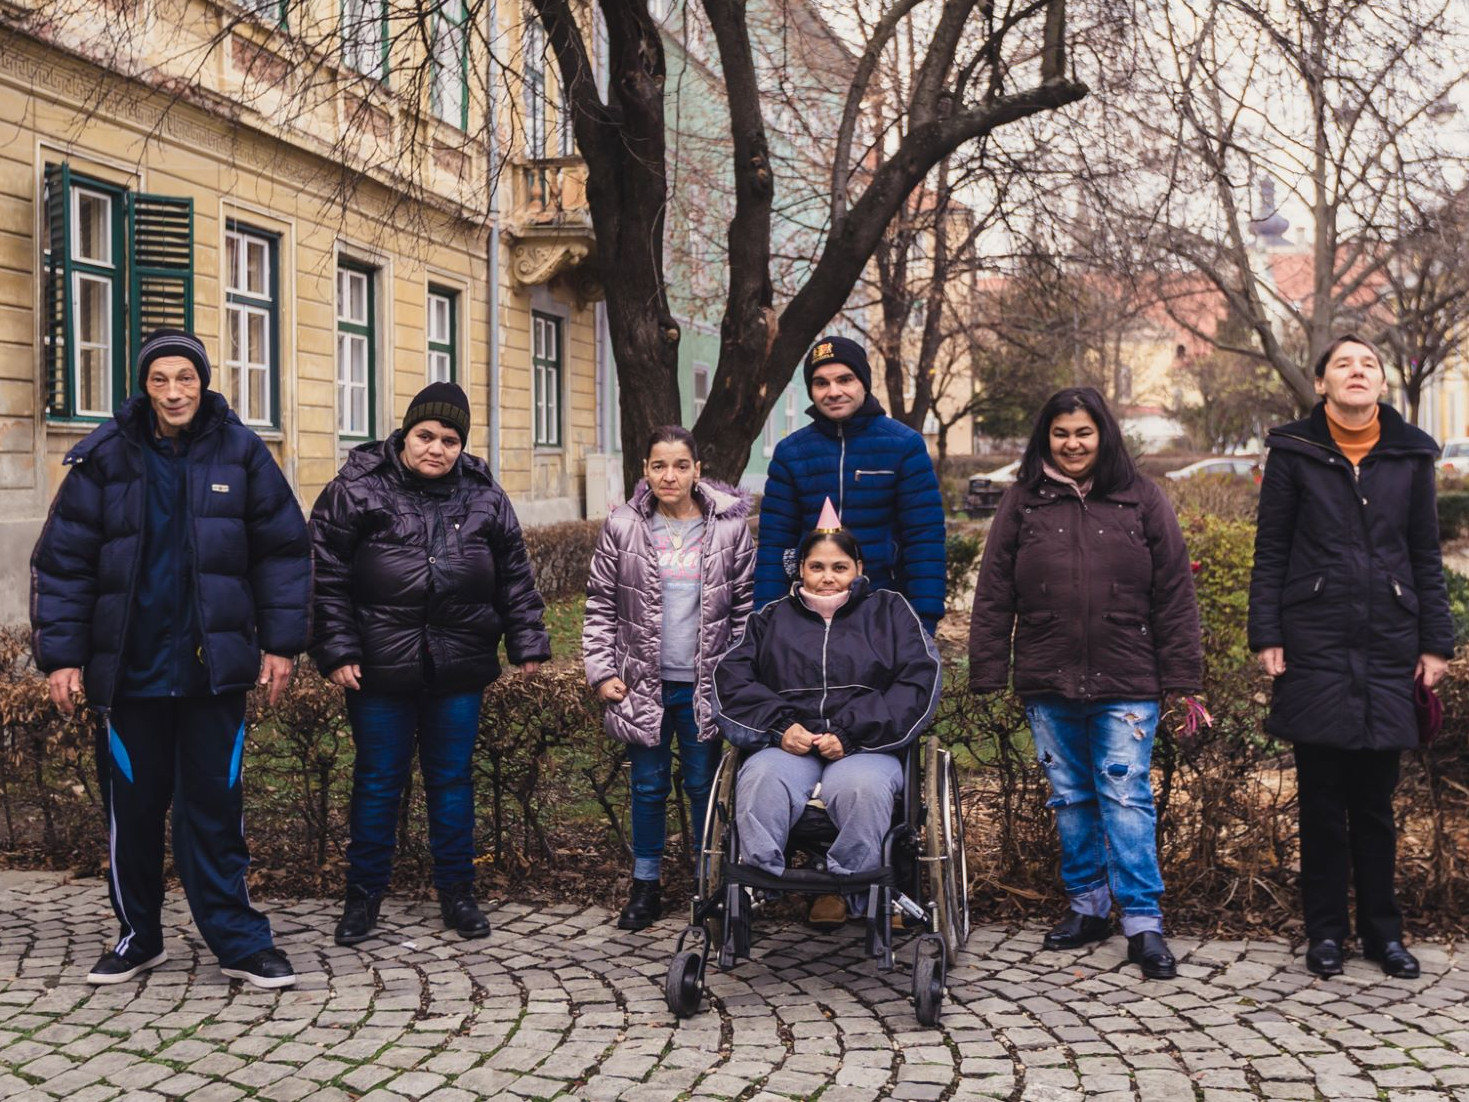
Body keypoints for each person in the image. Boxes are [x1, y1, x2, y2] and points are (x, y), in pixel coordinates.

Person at [30, 328, 311, 989]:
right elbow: (63, 563)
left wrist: (280, 644)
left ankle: (240, 942)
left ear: (204, 381)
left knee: (213, 808)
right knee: (132, 814)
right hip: (131, 672)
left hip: (214, 670)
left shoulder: (242, 453)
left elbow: (282, 551)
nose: (174, 391)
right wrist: (63, 658)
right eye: (160, 379)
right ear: (144, 386)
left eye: (185, 377)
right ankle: (139, 937)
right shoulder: (103, 458)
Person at [968, 387, 1201, 980]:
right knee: (1071, 798)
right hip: (1048, 674)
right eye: (1061, 434)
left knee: (1125, 798)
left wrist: (1181, 675)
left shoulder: (1142, 497)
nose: (1073, 444)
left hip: (1129, 676)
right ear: (1046, 438)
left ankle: (1144, 923)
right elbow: (995, 590)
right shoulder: (1023, 501)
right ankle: (1089, 908)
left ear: (1104, 436)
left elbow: (1174, 591)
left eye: (1084, 433)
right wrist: (990, 668)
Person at [309, 382, 550, 945]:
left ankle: (458, 895)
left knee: (450, 781)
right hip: (377, 668)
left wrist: (529, 640)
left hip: (458, 664)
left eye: (450, 440)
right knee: (377, 782)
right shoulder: (357, 489)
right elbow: (325, 574)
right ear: (405, 434)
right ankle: (362, 897)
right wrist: (338, 649)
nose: (436, 449)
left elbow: (514, 573)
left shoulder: (485, 496)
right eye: (426, 436)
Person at [1248, 335, 1452, 980]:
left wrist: (1435, 642)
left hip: (1391, 643)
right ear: (1322, 385)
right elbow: (1271, 548)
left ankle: (1384, 936)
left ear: (1383, 385)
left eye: (1368, 365)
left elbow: (1425, 553)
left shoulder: (1412, 455)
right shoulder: (1294, 451)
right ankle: (1326, 934)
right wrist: (1267, 633)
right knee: (1321, 802)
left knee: (1374, 805)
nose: (1357, 371)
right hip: (1315, 642)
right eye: (1344, 364)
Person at [714, 510, 941, 927]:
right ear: (799, 570)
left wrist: (850, 732)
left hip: (864, 745)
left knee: (861, 787)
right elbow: (732, 682)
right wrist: (780, 728)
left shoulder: (890, 612)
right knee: (761, 780)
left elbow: (917, 682)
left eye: (840, 567)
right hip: (789, 744)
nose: (827, 576)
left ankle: (854, 888)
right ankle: (756, 881)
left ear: (859, 569)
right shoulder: (770, 619)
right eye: (816, 567)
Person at [583, 426, 755, 930]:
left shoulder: (728, 530)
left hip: (703, 687)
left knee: (704, 786)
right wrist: (601, 672)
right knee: (648, 785)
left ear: (698, 470)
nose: (670, 475)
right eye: (659, 465)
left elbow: (744, 610)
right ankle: (646, 886)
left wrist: (735, 676)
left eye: (680, 465)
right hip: (642, 683)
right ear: (645, 470)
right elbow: (599, 606)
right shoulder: (623, 526)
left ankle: (708, 887)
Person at [754, 335, 946, 634]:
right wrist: (766, 619)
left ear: (863, 383)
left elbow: (924, 541)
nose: (834, 391)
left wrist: (924, 621)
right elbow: (775, 545)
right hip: (809, 614)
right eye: (821, 383)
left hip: (886, 609)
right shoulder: (790, 453)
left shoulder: (904, 446)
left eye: (845, 379)